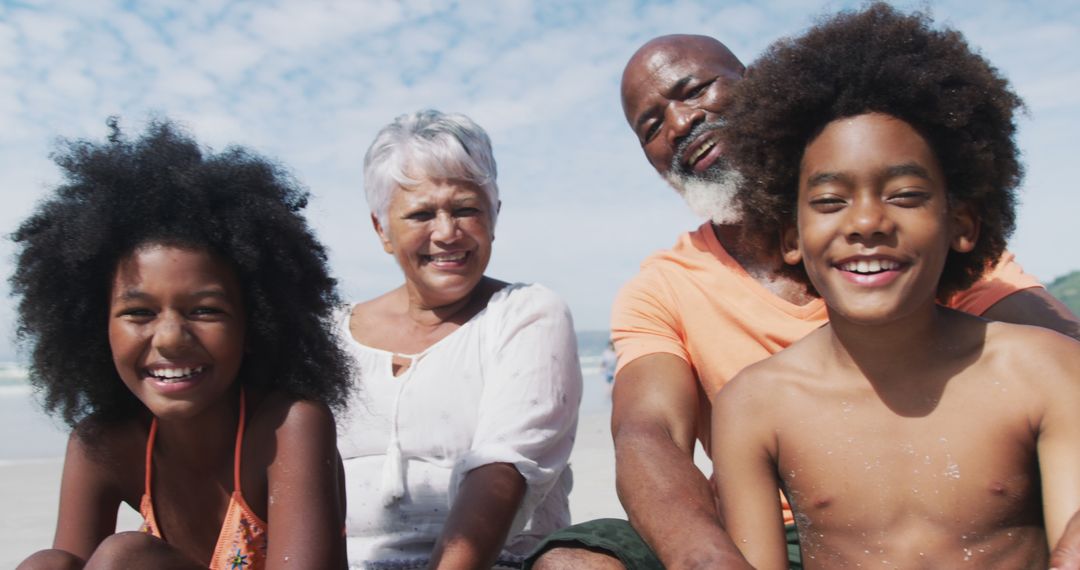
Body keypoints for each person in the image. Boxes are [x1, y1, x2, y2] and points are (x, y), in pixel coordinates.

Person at [528, 24, 1080, 570]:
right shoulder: (667, 290)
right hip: (765, 534)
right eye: (651, 125)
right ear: (796, 240)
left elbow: (1063, 365)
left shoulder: (918, 242)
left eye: (695, 90)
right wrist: (708, 560)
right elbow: (648, 433)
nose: (681, 121)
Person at [711, 4, 1080, 567]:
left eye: (905, 195)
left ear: (962, 224)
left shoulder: (1043, 372)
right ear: (790, 237)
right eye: (830, 202)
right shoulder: (754, 406)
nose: (866, 223)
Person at [13, 119, 351, 569]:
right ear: (98, 328)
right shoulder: (103, 444)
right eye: (139, 313)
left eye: (205, 310)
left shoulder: (288, 427)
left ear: (254, 326)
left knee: (124, 557)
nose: (170, 338)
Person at [338, 109, 582, 569]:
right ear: (382, 230)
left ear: (494, 216)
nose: (447, 233)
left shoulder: (527, 314)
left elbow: (500, 470)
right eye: (421, 214)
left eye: (466, 208)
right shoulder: (331, 335)